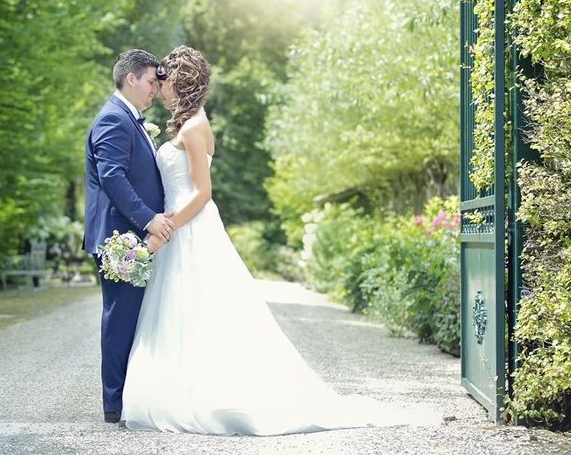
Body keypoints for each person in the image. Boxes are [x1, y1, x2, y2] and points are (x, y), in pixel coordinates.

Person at [121, 46, 440, 435]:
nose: (160, 88)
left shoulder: (192, 129)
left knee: (197, 307)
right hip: (181, 225)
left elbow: (202, 194)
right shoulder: (190, 124)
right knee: (183, 311)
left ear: (181, 82)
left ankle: (204, 393)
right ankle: (182, 386)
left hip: (189, 227)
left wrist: (165, 231)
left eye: (165, 80)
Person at [82, 49, 176, 424]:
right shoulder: (113, 120)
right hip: (120, 238)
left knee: (133, 318)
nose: (156, 89)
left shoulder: (130, 120)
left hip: (133, 235)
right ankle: (114, 406)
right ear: (131, 78)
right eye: (152, 81)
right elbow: (112, 178)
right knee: (120, 318)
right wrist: (149, 219)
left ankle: (126, 398)